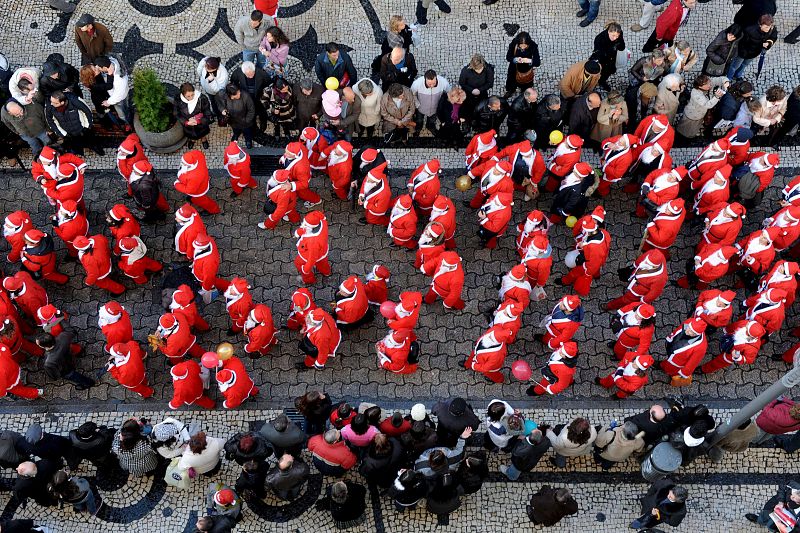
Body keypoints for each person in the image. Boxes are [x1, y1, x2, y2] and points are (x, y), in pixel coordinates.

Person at [45, 90, 101, 156]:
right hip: (69, 132)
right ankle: (80, 153)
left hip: (82, 127)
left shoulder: (74, 100)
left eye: (55, 103)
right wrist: (63, 133)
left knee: (91, 140)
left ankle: (96, 148)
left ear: (62, 102)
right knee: (75, 144)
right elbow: (50, 121)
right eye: (51, 101)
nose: (51, 104)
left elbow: (87, 111)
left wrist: (87, 126)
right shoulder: (50, 107)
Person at [729, 15, 778, 80]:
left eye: (770, 27)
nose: (768, 29)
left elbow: (773, 37)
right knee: (734, 66)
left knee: (744, 65)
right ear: (760, 25)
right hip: (743, 53)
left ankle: (738, 75)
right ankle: (728, 78)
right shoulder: (750, 30)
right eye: (766, 27)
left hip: (754, 53)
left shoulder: (771, 29)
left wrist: (768, 43)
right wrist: (760, 44)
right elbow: (743, 43)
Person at [230, 61, 269, 131]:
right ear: (243, 72)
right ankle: (252, 123)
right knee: (249, 110)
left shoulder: (261, 73)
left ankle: (263, 121)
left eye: (252, 74)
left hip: (259, 96)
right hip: (246, 97)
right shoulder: (238, 73)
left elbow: (267, 82)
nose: (250, 77)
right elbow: (233, 83)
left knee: (262, 110)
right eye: (248, 75)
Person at [93, 55, 130, 126]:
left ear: (104, 67)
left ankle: (126, 122)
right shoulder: (112, 63)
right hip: (117, 94)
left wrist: (108, 102)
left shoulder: (119, 79)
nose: (98, 70)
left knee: (122, 112)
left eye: (99, 69)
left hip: (119, 99)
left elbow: (119, 95)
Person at [411, 70, 449, 136]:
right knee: (419, 120)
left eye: (434, 83)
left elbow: (449, 93)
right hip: (421, 108)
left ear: (436, 78)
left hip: (435, 108)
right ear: (425, 79)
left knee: (432, 121)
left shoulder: (443, 82)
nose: (431, 86)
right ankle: (418, 129)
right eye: (429, 84)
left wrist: (441, 105)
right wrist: (417, 104)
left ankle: (430, 127)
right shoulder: (417, 83)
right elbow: (412, 94)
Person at [216, 83, 255, 149]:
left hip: (244, 121)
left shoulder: (246, 96)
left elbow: (251, 110)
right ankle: (236, 134)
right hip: (233, 121)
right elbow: (219, 103)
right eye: (237, 94)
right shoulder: (222, 95)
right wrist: (222, 110)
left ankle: (248, 140)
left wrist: (246, 120)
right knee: (235, 129)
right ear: (231, 95)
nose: (239, 93)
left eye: (239, 91)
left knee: (247, 131)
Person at [459, 54, 495, 119]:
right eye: (476, 69)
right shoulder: (466, 70)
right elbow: (462, 83)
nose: (479, 71)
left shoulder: (488, 69)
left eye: (481, 68)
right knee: (467, 108)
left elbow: (490, 83)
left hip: (482, 92)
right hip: (468, 93)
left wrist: (480, 90)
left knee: (482, 109)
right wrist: (471, 90)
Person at [505, 32, 540, 97]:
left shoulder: (533, 46)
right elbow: (508, 57)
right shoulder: (514, 43)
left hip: (526, 69)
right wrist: (515, 59)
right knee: (511, 81)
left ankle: (524, 94)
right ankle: (511, 90)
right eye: (521, 45)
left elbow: (537, 62)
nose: (523, 47)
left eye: (525, 45)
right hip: (514, 68)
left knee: (526, 84)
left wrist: (529, 60)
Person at [591, 22, 625, 90]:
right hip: (601, 59)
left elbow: (622, 47)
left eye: (617, 36)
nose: (615, 38)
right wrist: (613, 48)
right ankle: (593, 83)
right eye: (613, 35)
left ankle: (602, 82)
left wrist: (618, 43)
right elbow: (599, 54)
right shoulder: (599, 39)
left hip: (611, 59)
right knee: (599, 72)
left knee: (609, 71)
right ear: (608, 31)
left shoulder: (619, 34)